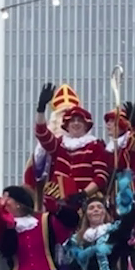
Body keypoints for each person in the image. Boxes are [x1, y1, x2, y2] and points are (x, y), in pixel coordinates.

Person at [32, 83, 112, 212]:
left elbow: (101, 176)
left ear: (86, 125)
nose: (76, 123)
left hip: (86, 201)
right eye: (72, 121)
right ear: (67, 126)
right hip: (58, 200)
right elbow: (42, 133)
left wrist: (83, 194)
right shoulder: (60, 144)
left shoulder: (95, 146)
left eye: (80, 120)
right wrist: (41, 109)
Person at [62, 173, 135, 270]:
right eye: (91, 208)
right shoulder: (76, 239)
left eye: (99, 207)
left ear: (105, 212)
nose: (96, 210)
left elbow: (127, 223)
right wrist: (90, 251)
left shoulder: (112, 231)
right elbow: (72, 264)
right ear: (86, 214)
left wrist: (125, 202)